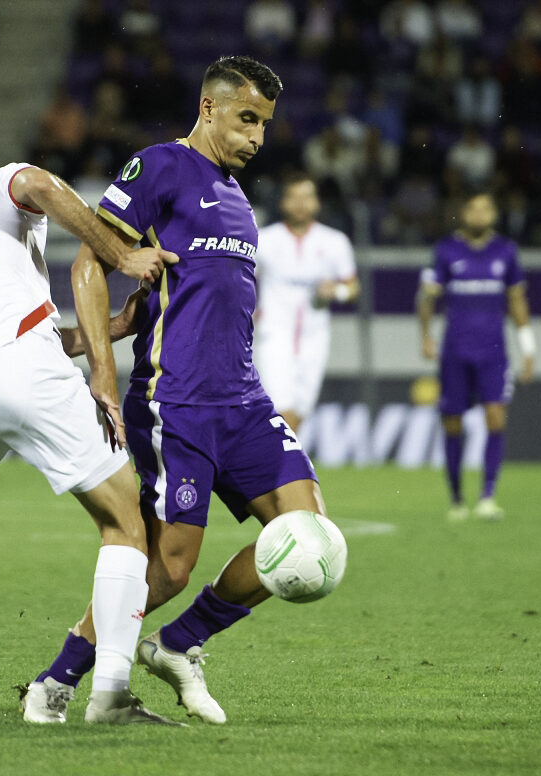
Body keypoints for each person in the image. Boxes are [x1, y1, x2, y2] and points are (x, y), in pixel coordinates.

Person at [24, 55, 342, 726]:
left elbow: (199, 298)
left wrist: (126, 327)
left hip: (245, 401)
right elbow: (90, 263)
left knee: (310, 533)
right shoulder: (161, 168)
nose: (256, 137)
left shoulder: (238, 199)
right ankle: (56, 681)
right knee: (169, 566)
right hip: (177, 402)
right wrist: (102, 369)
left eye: (265, 124)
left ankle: (177, 644)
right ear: (208, 108)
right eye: (246, 118)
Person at [0, 132, 180, 724]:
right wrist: (121, 255)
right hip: (21, 369)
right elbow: (36, 182)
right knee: (125, 521)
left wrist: (109, 330)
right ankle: (111, 694)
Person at [417, 190, 535, 522]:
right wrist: (425, 335)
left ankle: (487, 496)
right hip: (454, 352)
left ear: (494, 214)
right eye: (473, 208)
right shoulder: (446, 251)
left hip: (493, 353)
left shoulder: (506, 252)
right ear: (464, 213)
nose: (479, 215)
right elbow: (427, 297)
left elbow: (517, 301)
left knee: (495, 417)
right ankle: (456, 498)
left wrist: (528, 348)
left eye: (486, 209)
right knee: (452, 423)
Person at [254, 173, 359, 434]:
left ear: (317, 202)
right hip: (275, 333)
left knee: (300, 411)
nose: (301, 204)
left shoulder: (334, 242)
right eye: (294, 197)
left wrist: (336, 291)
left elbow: (353, 287)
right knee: (281, 408)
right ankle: (281, 461)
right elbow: (241, 278)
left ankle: (279, 459)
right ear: (283, 203)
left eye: (307, 197)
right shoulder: (264, 239)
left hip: (315, 336)